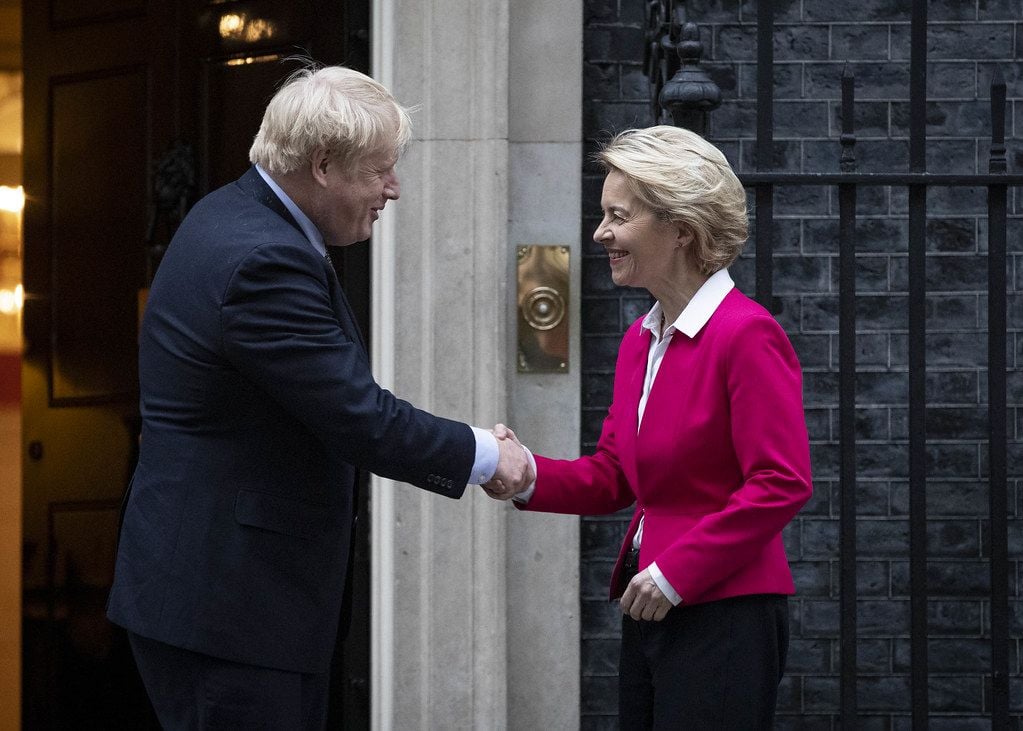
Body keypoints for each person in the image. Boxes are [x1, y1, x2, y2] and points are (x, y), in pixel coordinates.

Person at [106, 64, 531, 729]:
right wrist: (484, 454)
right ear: (324, 164)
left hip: (228, 603)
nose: (393, 188)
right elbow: (357, 417)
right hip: (229, 611)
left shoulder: (233, 215)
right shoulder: (262, 260)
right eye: (379, 170)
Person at [487, 126, 812, 728]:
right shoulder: (642, 340)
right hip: (652, 604)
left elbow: (781, 481)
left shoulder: (746, 333)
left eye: (618, 216)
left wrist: (675, 573)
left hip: (725, 611)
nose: (600, 233)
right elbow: (614, 475)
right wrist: (527, 474)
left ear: (681, 228)